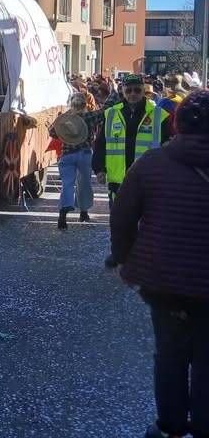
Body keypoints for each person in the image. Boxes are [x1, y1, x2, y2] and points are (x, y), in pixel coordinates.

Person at [109, 90, 209, 438]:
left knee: (170, 355)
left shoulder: (151, 163)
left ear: (177, 124)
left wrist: (123, 258)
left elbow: (122, 217)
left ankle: (170, 427)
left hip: (164, 282)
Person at [94, 73, 173, 265]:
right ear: (122, 91)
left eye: (137, 90)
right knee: (118, 220)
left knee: (147, 220)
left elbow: (168, 145)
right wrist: (99, 168)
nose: (132, 94)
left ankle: (143, 256)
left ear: (143, 91)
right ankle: (118, 254)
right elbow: (101, 143)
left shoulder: (158, 115)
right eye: (128, 90)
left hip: (147, 178)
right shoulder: (111, 113)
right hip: (117, 177)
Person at [50, 92, 106, 228]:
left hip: (66, 155)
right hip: (84, 154)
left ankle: (64, 210)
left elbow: (52, 132)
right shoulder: (89, 116)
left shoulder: (63, 119)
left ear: (71, 104)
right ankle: (84, 211)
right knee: (84, 183)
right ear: (85, 104)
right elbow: (104, 112)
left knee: (67, 183)